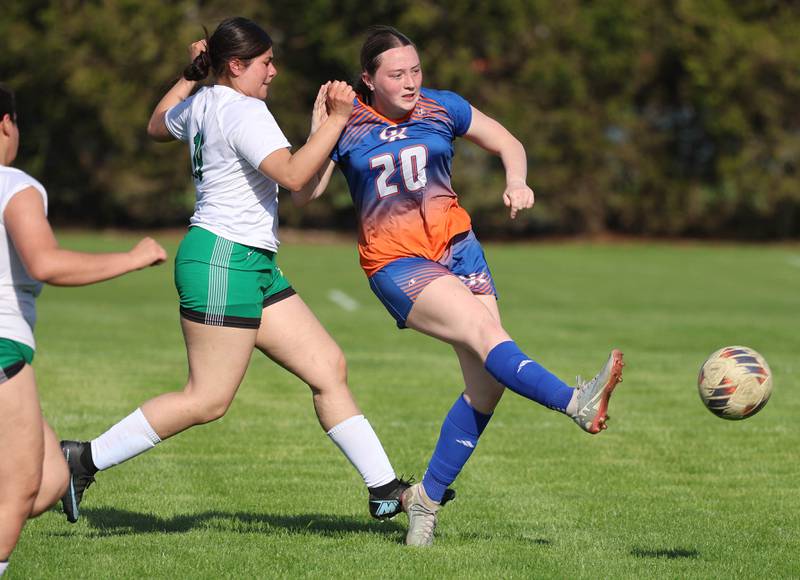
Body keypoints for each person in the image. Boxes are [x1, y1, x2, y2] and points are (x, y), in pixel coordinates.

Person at [58, 17, 428, 528]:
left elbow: (156, 122)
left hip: (250, 261)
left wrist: (194, 72)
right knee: (207, 400)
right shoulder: (246, 112)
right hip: (222, 260)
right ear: (236, 66)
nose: (273, 72)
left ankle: (384, 490)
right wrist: (339, 119)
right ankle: (82, 459)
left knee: (327, 367)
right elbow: (297, 177)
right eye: (266, 63)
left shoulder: (205, 101)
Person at [297, 25, 625, 546]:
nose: (410, 82)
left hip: (460, 248)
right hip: (396, 260)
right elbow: (304, 192)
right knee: (482, 330)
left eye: (415, 69)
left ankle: (426, 499)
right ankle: (573, 400)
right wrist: (321, 130)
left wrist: (516, 180)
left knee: (486, 384)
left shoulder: (442, 107)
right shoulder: (348, 121)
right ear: (368, 78)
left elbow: (508, 143)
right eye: (396, 73)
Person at [0, 85, 167, 576]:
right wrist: (133, 259)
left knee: (50, 477)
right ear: (7, 124)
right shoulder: (13, 184)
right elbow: (46, 262)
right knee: (17, 489)